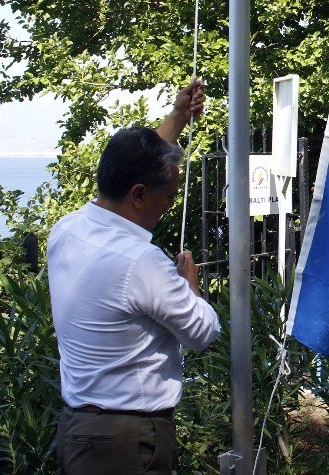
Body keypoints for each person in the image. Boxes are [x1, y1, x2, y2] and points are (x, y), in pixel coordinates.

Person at [49, 79, 221, 475]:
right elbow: (201, 334)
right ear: (139, 195)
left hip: (80, 428)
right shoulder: (140, 262)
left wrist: (178, 117)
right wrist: (190, 287)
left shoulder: (68, 229)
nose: (168, 207)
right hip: (126, 442)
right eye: (168, 198)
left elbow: (134, 167)